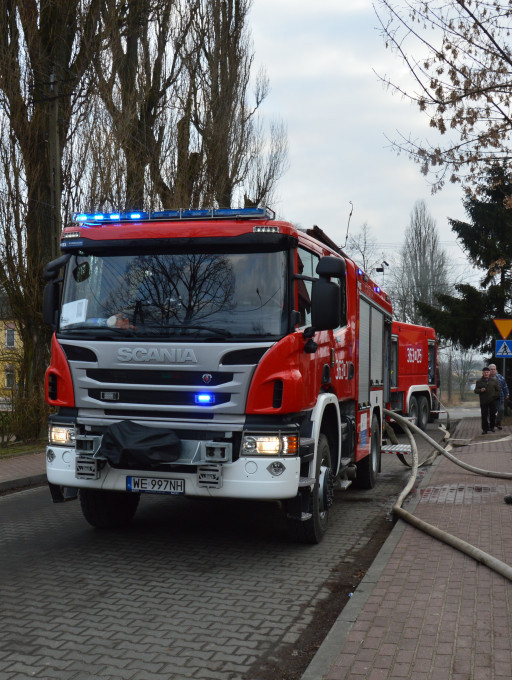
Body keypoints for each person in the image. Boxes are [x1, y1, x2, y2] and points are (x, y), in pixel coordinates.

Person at [474, 366, 500, 434]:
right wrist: (480, 390)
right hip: (484, 401)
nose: (486, 374)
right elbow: (475, 391)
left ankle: (492, 427)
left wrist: (495, 396)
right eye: (485, 372)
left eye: (487, 372)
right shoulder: (479, 381)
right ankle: (484, 429)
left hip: (492, 400)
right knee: (484, 415)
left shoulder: (494, 380)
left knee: (492, 415)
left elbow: (498, 390)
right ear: (482, 373)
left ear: (489, 373)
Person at [489, 363, 509, 429]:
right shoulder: (487, 378)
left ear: (496, 370)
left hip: (500, 397)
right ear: (489, 370)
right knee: (491, 411)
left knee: (501, 409)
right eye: (491, 369)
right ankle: (491, 423)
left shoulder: (500, 377)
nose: (492, 371)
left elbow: (505, 386)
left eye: (494, 369)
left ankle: (498, 422)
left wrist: (507, 394)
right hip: (490, 398)